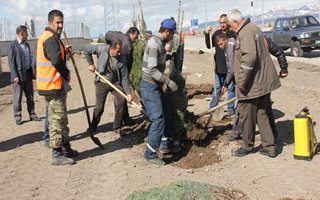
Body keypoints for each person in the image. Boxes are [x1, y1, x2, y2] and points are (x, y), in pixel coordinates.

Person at [228, 9, 281, 158]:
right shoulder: (254, 28)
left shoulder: (245, 32)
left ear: (236, 22)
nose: (231, 29)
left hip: (253, 85)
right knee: (261, 113)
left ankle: (246, 145)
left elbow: (249, 58)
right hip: (262, 82)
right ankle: (269, 147)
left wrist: (242, 83)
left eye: (231, 25)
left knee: (246, 115)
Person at [36, 9, 78, 165]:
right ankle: (57, 154)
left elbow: (56, 56)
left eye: (62, 22)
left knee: (62, 119)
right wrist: (66, 73)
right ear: (50, 23)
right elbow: (55, 61)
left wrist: (64, 52)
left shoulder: (53, 37)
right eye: (57, 22)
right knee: (56, 121)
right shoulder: (50, 38)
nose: (60, 25)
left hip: (55, 85)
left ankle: (66, 148)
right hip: (52, 85)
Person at [229, 36, 288, 142]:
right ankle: (271, 137)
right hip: (253, 82)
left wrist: (284, 68)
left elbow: (279, 51)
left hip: (262, 81)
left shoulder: (262, 40)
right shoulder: (240, 41)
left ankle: (269, 137)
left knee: (256, 109)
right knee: (262, 109)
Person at [140, 18, 181, 165]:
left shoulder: (160, 44)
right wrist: (168, 81)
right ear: (167, 32)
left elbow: (158, 61)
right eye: (172, 34)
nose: (173, 37)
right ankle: (150, 153)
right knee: (158, 119)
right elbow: (151, 70)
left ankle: (165, 145)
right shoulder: (154, 44)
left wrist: (170, 56)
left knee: (167, 114)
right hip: (149, 86)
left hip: (156, 86)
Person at [84, 39, 132, 135]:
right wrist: (91, 64)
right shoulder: (102, 49)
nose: (119, 53)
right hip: (101, 81)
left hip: (115, 83)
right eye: (117, 51)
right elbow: (86, 48)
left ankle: (117, 127)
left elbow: (125, 79)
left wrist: (128, 93)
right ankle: (92, 127)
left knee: (121, 101)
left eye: (120, 51)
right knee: (99, 107)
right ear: (112, 48)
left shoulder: (122, 59)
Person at [105, 27, 140, 126]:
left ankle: (125, 117)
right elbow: (128, 63)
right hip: (120, 71)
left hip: (114, 68)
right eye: (135, 37)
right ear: (131, 33)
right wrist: (127, 75)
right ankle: (125, 119)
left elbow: (107, 34)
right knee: (122, 96)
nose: (135, 40)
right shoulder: (129, 46)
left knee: (121, 96)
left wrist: (109, 44)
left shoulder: (117, 34)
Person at [8, 25, 40, 125]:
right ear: (22, 33)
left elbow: (29, 59)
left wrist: (33, 72)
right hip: (18, 76)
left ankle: (32, 114)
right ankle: (18, 116)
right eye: (26, 33)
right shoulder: (13, 45)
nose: (28, 35)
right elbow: (11, 62)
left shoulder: (27, 45)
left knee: (30, 96)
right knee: (17, 98)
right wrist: (15, 76)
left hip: (28, 74)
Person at [205, 14, 236, 115]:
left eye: (224, 22)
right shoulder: (217, 34)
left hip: (230, 68)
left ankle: (230, 109)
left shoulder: (232, 34)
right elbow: (209, 45)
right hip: (218, 67)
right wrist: (207, 33)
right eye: (221, 23)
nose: (222, 25)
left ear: (228, 22)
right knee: (217, 89)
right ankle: (213, 107)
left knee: (231, 88)